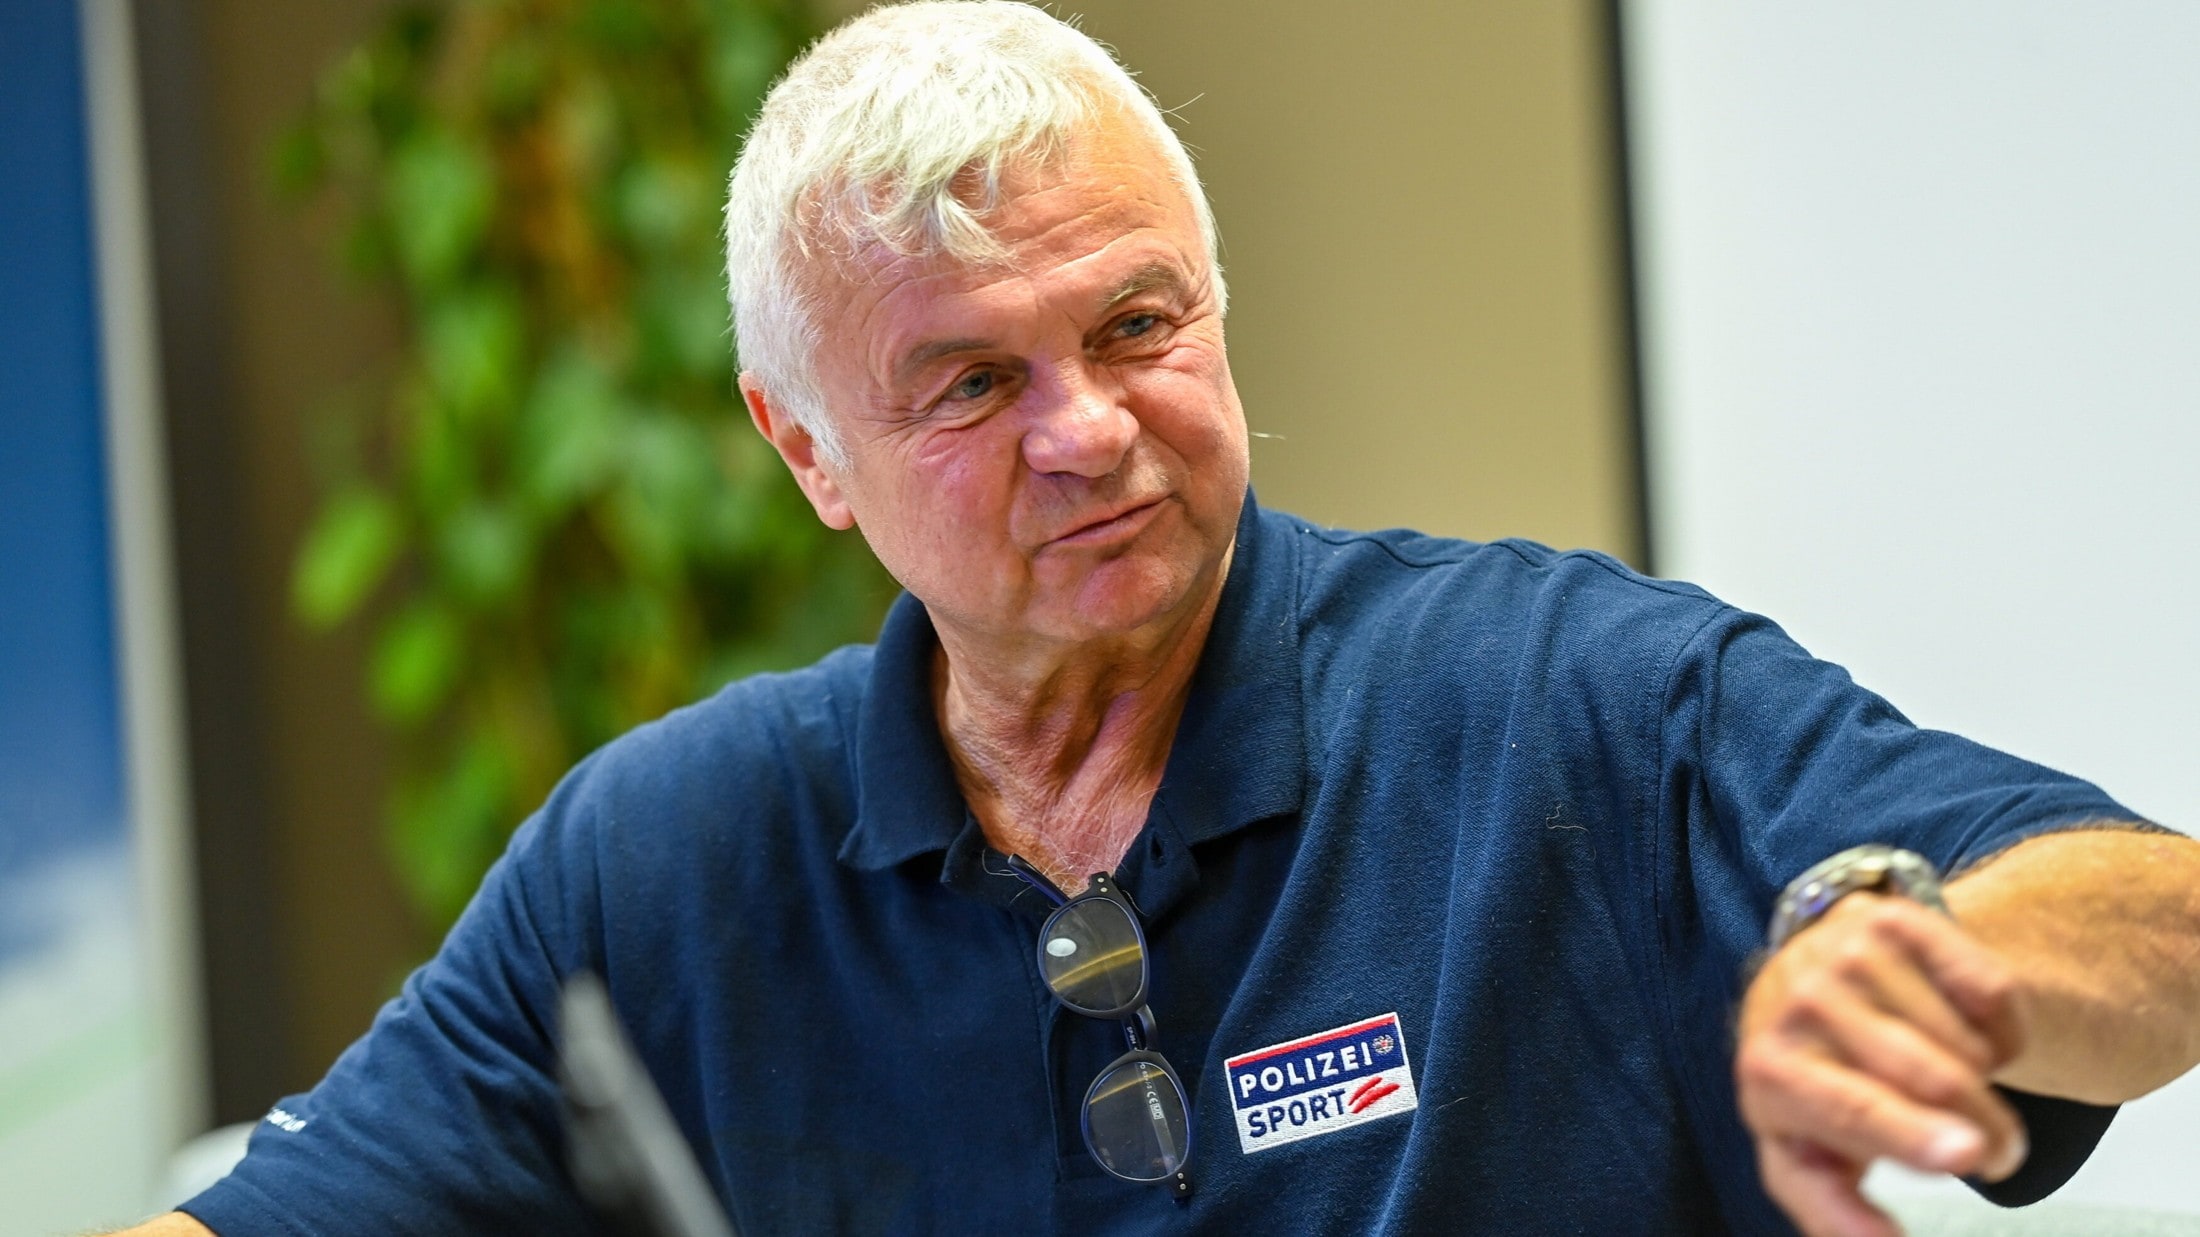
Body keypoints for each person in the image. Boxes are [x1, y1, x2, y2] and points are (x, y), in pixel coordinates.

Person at [121, 3, 2199, 1235]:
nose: (1091, 431)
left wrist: (1924, 964)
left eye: (1137, 325)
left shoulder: (1568, 696)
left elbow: (2153, 917)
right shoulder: (658, 859)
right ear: (805, 449)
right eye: (971, 383)